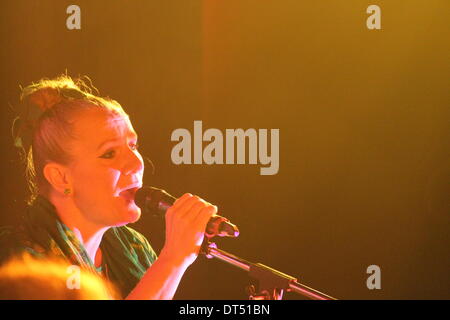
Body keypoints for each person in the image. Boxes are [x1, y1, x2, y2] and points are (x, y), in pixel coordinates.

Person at [0, 74, 218, 299]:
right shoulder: (19, 265)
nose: (136, 163)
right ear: (60, 177)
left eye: (133, 145)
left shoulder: (135, 248)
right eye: (109, 153)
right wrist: (173, 259)